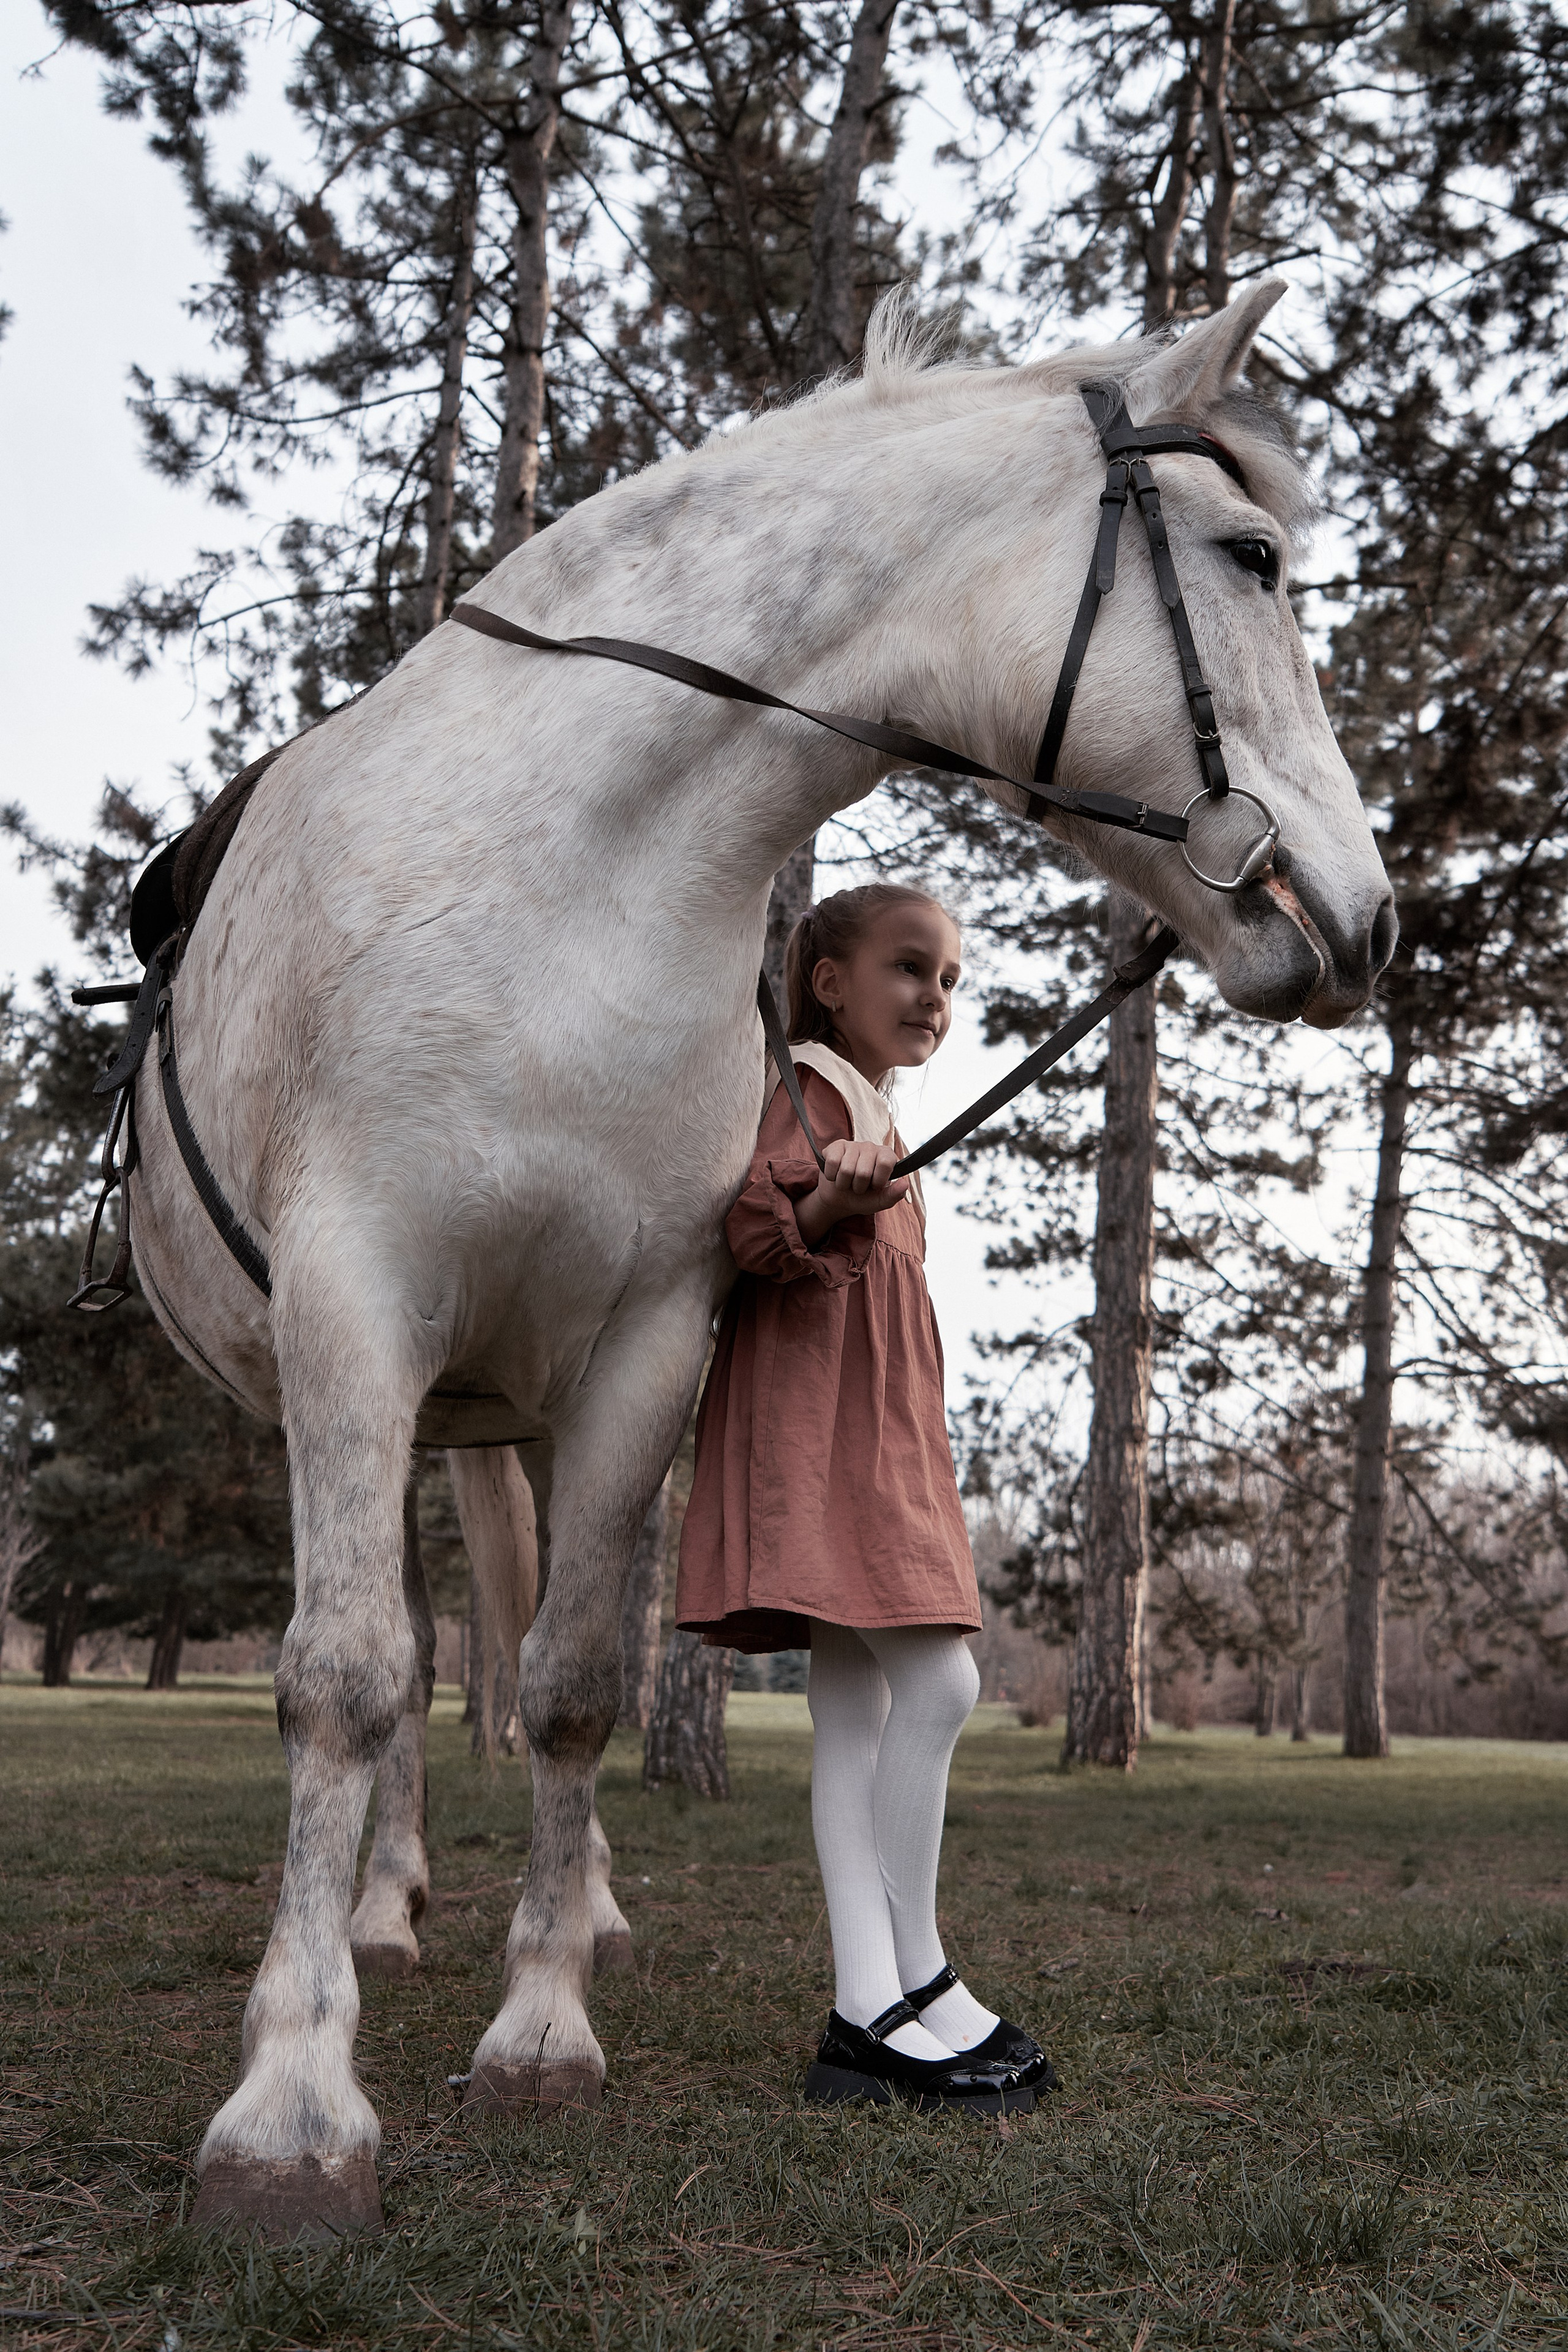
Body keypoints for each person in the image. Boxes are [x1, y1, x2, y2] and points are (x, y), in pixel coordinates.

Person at [677, 882, 1055, 2115]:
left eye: (946, 979)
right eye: (907, 969)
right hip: (820, 1427)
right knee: (938, 1684)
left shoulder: (876, 1112)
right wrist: (828, 1199)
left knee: (852, 1720)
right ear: (829, 979)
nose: (932, 997)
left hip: (874, 1427)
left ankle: (876, 2005)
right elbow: (752, 1230)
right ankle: (911, 1975)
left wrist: (855, 1189)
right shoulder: (806, 1085)